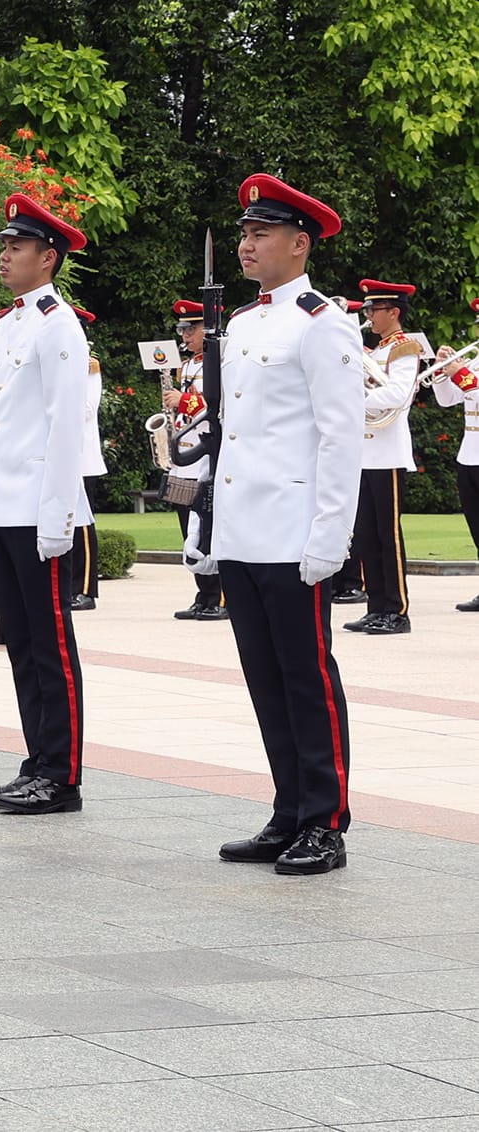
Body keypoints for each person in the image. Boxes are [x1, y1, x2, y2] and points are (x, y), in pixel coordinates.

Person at [191, 175, 361, 875]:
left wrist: (329, 536)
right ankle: (289, 808)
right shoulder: (246, 322)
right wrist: (211, 532)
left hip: (294, 532)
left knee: (305, 676)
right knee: (265, 677)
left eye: (261, 234)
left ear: (300, 243)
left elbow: (340, 436)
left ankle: (325, 819)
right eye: (243, 234)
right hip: (244, 531)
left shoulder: (325, 323)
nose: (246, 244)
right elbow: (238, 437)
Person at [0, 196, 92, 816]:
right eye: (4, 246)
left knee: (50, 644)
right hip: (6, 505)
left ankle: (61, 775)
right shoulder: (8, 327)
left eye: (16, 248)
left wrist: (59, 515)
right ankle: (37, 760)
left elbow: (66, 426)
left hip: (39, 509)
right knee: (20, 641)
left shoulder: (59, 323)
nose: (4, 256)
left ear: (48, 257)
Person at [349, 279, 421, 635]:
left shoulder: (405, 348)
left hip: (388, 453)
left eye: (372, 310)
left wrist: (353, 402)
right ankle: (375, 605)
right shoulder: (373, 351)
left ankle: (397, 610)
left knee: (387, 535)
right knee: (364, 534)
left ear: (393, 312)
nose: (367, 316)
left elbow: (397, 395)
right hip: (363, 452)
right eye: (366, 310)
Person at [163, 300, 226, 621]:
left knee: (209, 526)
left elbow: (221, 405)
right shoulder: (187, 365)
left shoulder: (221, 360)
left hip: (206, 456)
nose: (185, 336)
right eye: (183, 330)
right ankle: (202, 593)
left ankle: (220, 595)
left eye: (192, 329)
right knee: (186, 524)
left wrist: (184, 400)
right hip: (183, 457)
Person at [432, 301, 479, 613]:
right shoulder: (474, 361)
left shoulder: (470, 367)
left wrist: (459, 372)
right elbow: (449, 400)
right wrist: (440, 371)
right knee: (476, 526)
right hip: (470, 452)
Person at [66, 305, 104, 612]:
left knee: (82, 524)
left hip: (80, 455)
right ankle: (69, 585)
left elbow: (87, 409)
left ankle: (86, 588)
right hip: (60, 455)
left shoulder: (87, 365)